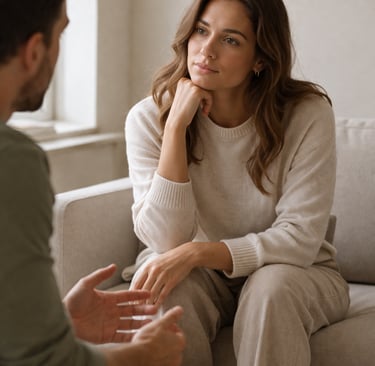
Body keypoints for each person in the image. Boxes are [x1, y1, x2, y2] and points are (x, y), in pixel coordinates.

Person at [124, 0, 350, 365]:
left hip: (295, 274)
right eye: (201, 30)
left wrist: (199, 252)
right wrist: (176, 130)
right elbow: (166, 242)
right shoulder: (149, 117)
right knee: (164, 288)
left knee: (269, 290)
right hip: (199, 276)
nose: (206, 50)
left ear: (260, 59)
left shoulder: (307, 114)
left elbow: (300, 238)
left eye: (230, 40)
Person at [0, 0, 185, 365]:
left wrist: (57, 324)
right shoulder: (12, 163)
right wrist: (146, 354)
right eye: (61, 34)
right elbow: (44, 361)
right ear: (35, 51)